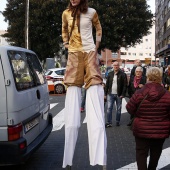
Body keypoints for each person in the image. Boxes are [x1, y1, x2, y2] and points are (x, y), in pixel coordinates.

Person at [62, 0, 107, 169]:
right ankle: (68, 159)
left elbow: (99, 28)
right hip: (74, 53)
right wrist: (66, 44)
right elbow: (64, 29)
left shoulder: (92, 12)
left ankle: (99, 157)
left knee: (94, 84)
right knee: (73, 89)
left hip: (89, 52)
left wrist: (96, 46)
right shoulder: (66, 13)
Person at [126, 67, 170, 170]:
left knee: (141, 153)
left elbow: (129, 108)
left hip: (142, 129)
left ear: (148, 77)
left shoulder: (139, 93)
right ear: (160, 77)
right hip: (160, 130)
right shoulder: (167, 95)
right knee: (156, 153)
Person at [104, 61, 127, 127]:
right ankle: (109, 122)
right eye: (114, 65)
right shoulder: (110, 74)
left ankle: (117, 121)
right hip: (110, 94)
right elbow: (107, 85)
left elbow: (125, 85)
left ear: (119, 66)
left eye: (117, 65)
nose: (115, 66)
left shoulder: (123, 74)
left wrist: (123, 94)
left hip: (119, 94)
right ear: (112, 66)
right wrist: (105, 94)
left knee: (119, 109)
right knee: (109, 108)